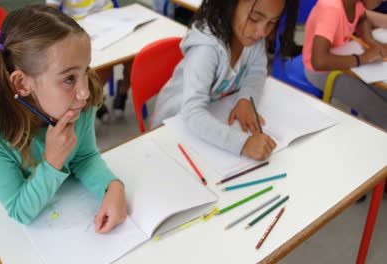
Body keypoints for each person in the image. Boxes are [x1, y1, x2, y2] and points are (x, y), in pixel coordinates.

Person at [0, 5, 127, 231]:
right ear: (22, 84)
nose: (85, 92)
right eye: (69, 78)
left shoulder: (78, 101)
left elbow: (84, 157)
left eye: (85, 69)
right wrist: (53, 160)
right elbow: (20, 210)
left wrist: (112, 187)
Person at [150, 0, 300, 161]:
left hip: (211, 114)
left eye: (272, 22)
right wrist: (243, 144)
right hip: (171, 127)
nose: (262, 32)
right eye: (255, 19)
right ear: (229, 5)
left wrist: (246, 98)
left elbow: (257, 71)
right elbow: (192, 112)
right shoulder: (206, 50)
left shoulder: (251, 38)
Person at [303, 0, 387, 131]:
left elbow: (362, 19)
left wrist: (371, 42)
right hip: (321, 71)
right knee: (380, 112)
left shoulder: (356, 3)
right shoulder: (330, 8)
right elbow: (319, 62)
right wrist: (362, 59)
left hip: (346, 62)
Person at [46, 0, 132, 121]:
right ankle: (96, 99)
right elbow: (51, 10)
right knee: (103, 70)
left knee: (134, 62)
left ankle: (122, 91)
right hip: (81, 27)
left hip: (111, 20)